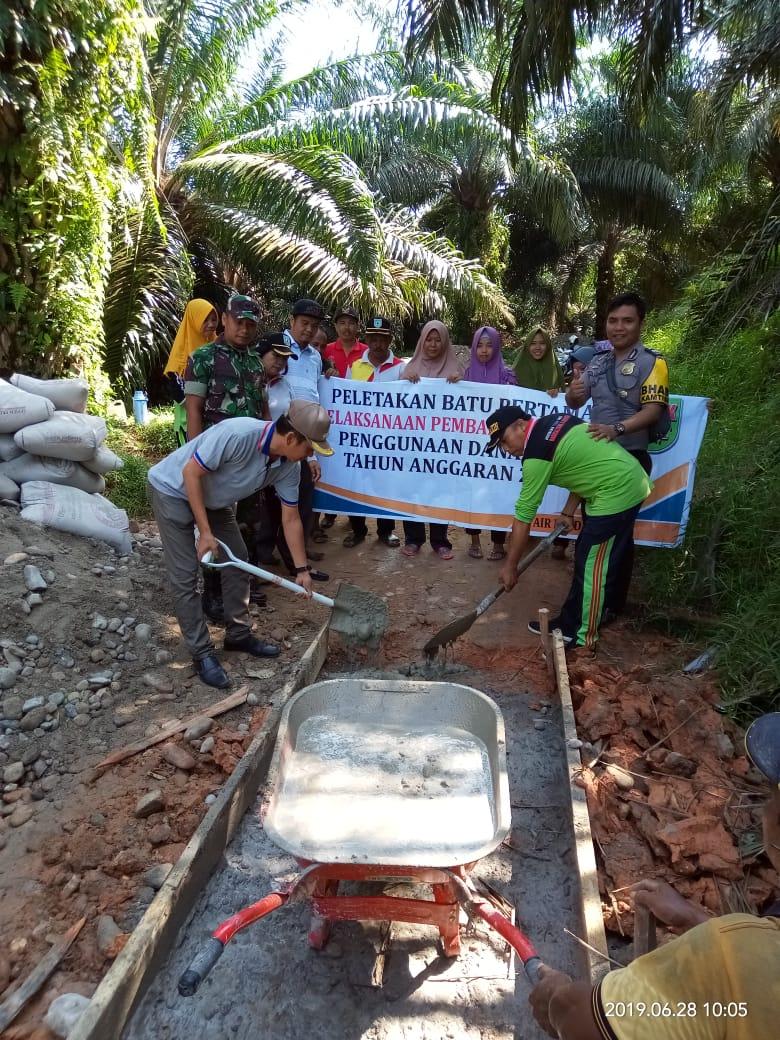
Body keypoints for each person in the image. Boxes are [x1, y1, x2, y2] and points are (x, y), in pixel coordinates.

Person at [527, 712, 780, 1040]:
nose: (764, 810)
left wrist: (559, 999)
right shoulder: (748, 948)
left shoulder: (729, 952)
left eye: (773, 797)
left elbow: (585, 1024)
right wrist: (696, 918)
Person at [147, 402, 333, 689]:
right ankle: (202, 653)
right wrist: (205, 533)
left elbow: (291, 518)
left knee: (239, 559)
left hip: (213, 499)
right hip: (172, 490)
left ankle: (238, 634)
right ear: (293, 439)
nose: (310, 456)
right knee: (185, 575)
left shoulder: (288, 468)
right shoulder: (238, 434)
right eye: (310, 449)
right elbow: (190, 474)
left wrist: (301, 569)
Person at [485, 406, 651, 649]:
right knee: (586, 557)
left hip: (618, 490)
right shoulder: (555, 422)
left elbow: (523, 518)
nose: (507, 450)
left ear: (521, 425)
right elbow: (584, 466)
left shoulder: (536, 455)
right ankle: (570, 622)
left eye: (505, 441)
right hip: (618, 483)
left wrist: (511, 566)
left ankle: (583, 637)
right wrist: (567, 511)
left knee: (593, 568)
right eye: (500, 446)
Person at [565, 292, 670, 613]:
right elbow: (575, 402)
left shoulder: (653, 363)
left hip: (629, 462)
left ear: (640, 324)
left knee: (607, 540)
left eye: (627, 321)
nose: (618, 327)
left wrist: (617, 429)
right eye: (613, 320)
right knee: (605, 538)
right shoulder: (598, 362)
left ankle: (602, 609)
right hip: (596, 461)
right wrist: (573, 392)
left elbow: (653, 411)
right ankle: (607, 606)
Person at [183, 294, 268, 619]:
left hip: (248, 460)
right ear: (225, 320)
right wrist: (194, 454)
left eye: (250, 324)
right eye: (239, 322)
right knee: (215, 527)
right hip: (213, 459)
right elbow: (193, 409)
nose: (244, 329)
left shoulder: (254, 363)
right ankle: (213, 595)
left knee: (247, 524)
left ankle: (241, 591)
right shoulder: (203, 358)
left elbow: (260, 410)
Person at [274, 298, 330, 576]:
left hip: (305, 438)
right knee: (271, 503)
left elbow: (314, 396)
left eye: (314, 325)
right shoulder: (278, 347)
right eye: (304, 323)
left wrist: (314, 452)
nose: (309, 330)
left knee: (302, 497)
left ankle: (298, 557)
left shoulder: (315, 357)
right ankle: (267, 558)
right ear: (292, 321)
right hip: (279, 435)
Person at [400, 320, 463, 560]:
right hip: (413, 444)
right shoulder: (408, 369)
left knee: (440, 490)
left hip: (442, 445)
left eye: (438, 339)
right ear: (422, 341)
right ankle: (413, 539)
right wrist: (406, 381)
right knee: (412, 489)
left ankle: (440, 541)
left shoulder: (456, 369)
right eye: (429, 339)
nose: (433, 344)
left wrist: (459, 384)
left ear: (445, 341)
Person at [342, 316, 404, 548]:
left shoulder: (400, 368)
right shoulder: (355, 366)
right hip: (360, 438)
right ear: (367, 339)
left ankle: (386, 531)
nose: (377, 344)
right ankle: (358, 530)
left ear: (389, 340)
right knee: (356, 484)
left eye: (382, 339)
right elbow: (345, 402)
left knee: (385, 485)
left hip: (388, 441)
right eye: (373, 338)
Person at [463, 326, 517, 561]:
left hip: (499, 443)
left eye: (489, 345)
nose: (484, 351)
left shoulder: (508, 376)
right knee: (473, 493)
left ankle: (498, 543)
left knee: (498, 492)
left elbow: (517, 407)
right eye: (480, 345)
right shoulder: (466, 375)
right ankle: (474, 541)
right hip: (473, 444)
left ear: (497, 347)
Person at [163, 299, 219, 447]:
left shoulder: (219, 348)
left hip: (216, 424)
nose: (211, 324)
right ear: (194, 319)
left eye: (214, 319)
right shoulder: (181, 355)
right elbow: (179, 394)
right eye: (205, 319)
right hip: (188, 424)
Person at [513, 327, 565, 397]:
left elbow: (564, 398)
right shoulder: (516, 370)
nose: (538, 347)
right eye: (533, 343)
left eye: (542, 343)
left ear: (548, 346)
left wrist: (557, 393)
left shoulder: (555, 371)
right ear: (527, 345)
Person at [324, 306, 366, 378]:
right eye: (342, 323)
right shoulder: (325, 350)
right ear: (336, 326)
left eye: (351, 323)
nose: (346, 327)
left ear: (357, 326)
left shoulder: (367, 352)